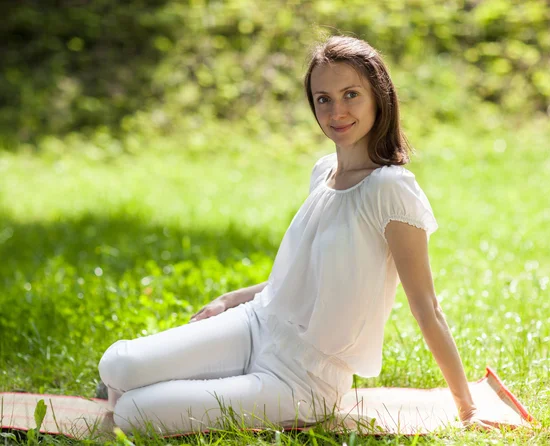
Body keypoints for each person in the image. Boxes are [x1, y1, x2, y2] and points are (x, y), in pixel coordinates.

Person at [98, 35, 496, 435]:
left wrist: (467, 408)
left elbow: (426, 307)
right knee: (117, 363)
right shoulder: (324, 172)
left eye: (351, 95)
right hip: (257, 326)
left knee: (134, 413)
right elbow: (303, 277)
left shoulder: (391, 190)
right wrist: (231, 300)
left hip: (303, 379)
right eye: (323, 99)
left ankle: (164, 394)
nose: (336, 111)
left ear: (379, 97)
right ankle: (161, 385)